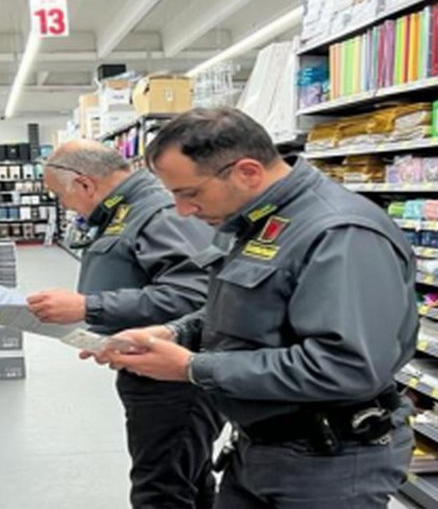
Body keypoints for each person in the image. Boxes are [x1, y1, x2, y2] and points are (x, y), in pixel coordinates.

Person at [95, 108, 419, 509]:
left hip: (327, 464)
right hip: (260, 448)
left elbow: (346, 366)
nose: (181, 210)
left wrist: (191, 368)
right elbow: (243, 306)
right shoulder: (255, 221)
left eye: (189, 193)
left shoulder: (340, 234)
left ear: (247, 172)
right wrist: (174, 332)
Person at [26, 140, 223, 509]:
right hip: (151, 365)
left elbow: (197, 296)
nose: (64, 206)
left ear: (84, 184)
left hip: (176, 377)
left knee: (162, 489)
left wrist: (90, 305)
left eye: (60, 195)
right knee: (186, 478)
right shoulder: (129, 210)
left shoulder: (159, 213)